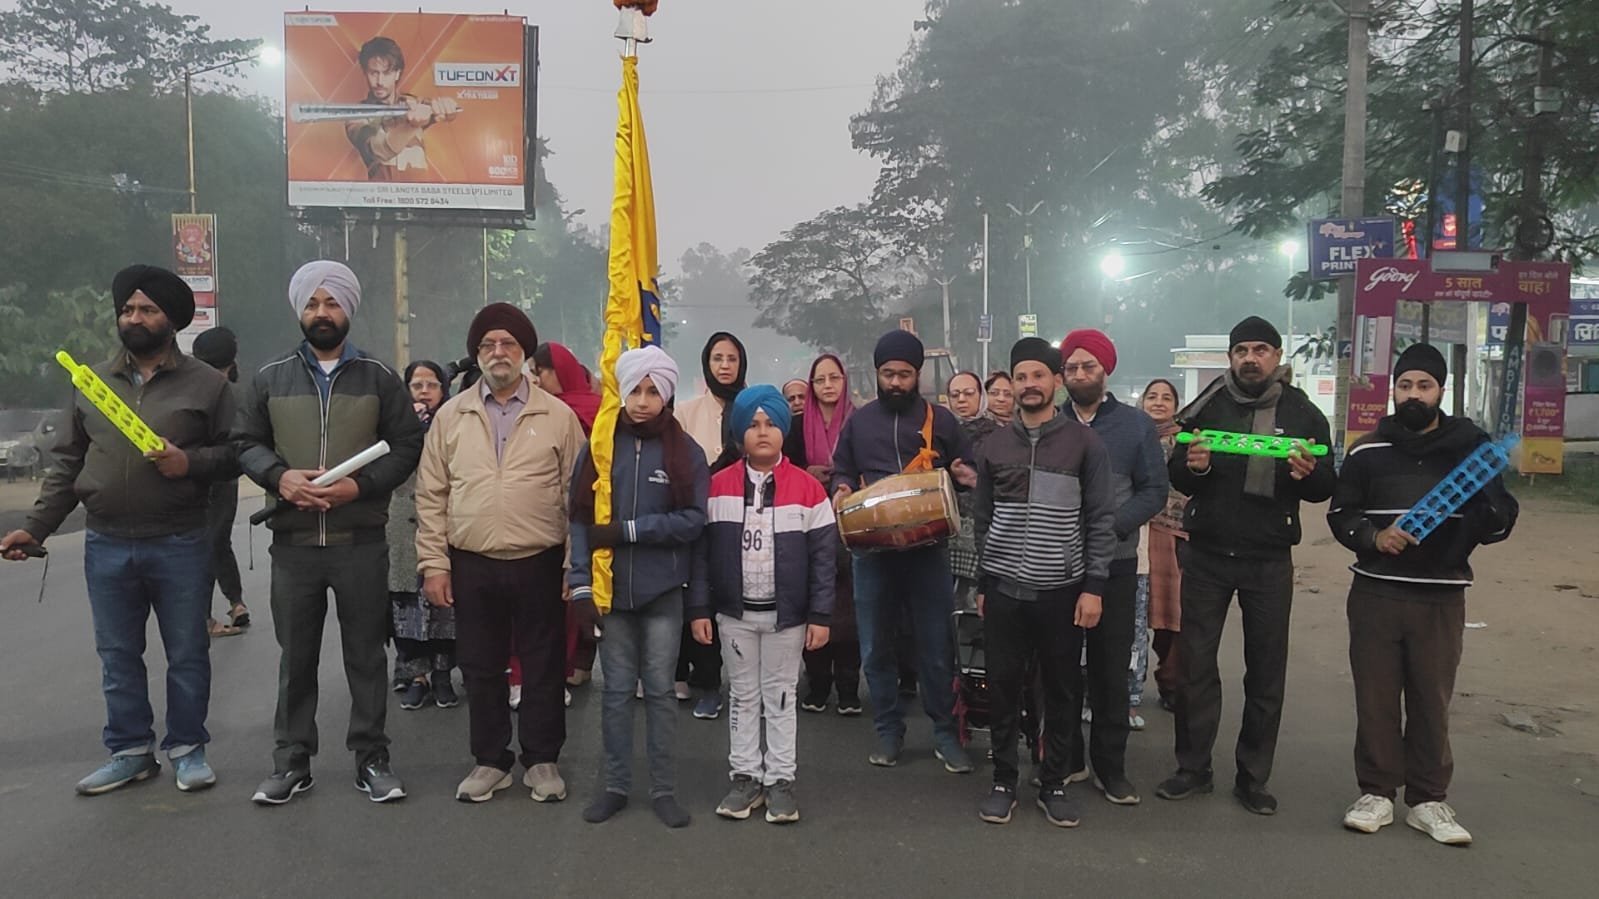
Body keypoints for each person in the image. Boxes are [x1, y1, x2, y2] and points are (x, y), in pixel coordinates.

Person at [2, 265, 236, 795]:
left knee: (187, 651)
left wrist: (191, 463)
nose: (134, 318)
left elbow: (239, 453)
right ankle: (130, 750)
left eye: (147, 309)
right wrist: (35, 528)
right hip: (106, 542)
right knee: (117, 654)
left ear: (171, 320)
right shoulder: (90, 382)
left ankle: (187, 749)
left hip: (180, 540)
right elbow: (67, 465)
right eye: (128, 309)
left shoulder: (208, 384)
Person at [236, 260, 424, 806]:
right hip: (293, 547)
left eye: (332, 303)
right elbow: (244, 442)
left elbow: (407, 446)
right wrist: (281, 478)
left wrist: (358, 488)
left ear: (349, 309)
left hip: (359, 546)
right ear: (300, 310)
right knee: (295, 659)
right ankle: (292, 762)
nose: (322, 313)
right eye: (313, 304)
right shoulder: (270, 378)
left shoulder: (381, 379)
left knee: (366, 656)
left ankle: (372, 759)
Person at [1328, 344, 1517, 846]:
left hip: (1440, 595)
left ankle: (1429, 800)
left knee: (1432, 698)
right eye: (1405, 385)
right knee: (1376, 697)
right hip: (1376, 593)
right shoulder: (1367, 451)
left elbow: (1500, 519)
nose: (1414, 395)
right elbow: (1340, 515)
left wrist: (1490, 508)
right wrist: (1373, 538)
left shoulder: (1470, 452)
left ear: (1440, 391)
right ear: (1394, 390)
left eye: (1424, 386)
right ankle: (1376, 793)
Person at [1156, 315, 1335, 816]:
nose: (1250, 358)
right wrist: (1196, 466)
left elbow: (1325, 485)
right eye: (1241, 351)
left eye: (1261, 349)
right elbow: (1180, 475)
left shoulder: (1302, 413)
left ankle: (1253, 778)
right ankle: (1192, 769)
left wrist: (1307, 474)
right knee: (1195, 667)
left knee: (1266, 673)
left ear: (1277, 357)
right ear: (1230, 357)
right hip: (1207, 554)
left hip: (1269, 559)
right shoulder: (1207, 406)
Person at [414, 304, 584, 804]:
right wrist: (434, 564)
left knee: (543, 663)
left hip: (541, 557)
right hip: (472, 559)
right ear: (477, 355)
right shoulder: (452, 415)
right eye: (488, 346)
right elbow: (431, 495)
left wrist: (575, 566)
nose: (498, 353)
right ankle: (490, 761)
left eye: (508, 344)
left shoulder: (558, 417)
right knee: (481, 665)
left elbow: (578, 496)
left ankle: (542, 760)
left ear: (524, 353)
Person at [973, 338, 1116, 827]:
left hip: (1062, 591)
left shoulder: (1084, 444)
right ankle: (1003, 780)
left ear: (1056, 381)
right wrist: (982, 580)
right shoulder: (993, 444)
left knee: (1060, 690)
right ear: (1011, 384)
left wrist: (1094, 586)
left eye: (1039, 375)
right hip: (1004, 592)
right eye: (1021, 377)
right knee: (1003, 687)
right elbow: (983, 518)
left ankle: (1053, 782)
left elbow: (1100, 518)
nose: (1029, 385)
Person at [570, 346, 709, 828]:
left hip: (663, 592)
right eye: (635, 390)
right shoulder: (599, 446)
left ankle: (664, 790)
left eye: (653, 391)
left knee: (660, 692)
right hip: (610, 597)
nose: (643, 400)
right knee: (614, 695)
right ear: (623, 391)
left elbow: (693, 520)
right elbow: (580, 521)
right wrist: (581, 587)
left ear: (667, 395)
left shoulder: (684, 451)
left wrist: (632, 530)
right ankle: (614, 786)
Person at [831, 330, 976, 771]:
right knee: (876, 646)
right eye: (888, 374)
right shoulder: (859, 421)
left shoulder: (943, 421)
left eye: (904, 375)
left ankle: (945, 734)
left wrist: (963, 476)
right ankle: (889, 732)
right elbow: (843, 469)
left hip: (927, 551)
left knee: (935, 646)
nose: (896, 382)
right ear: (877, 374)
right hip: (872, 552)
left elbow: (967, 471)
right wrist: (839, 489)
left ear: (918, 376)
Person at [691, 385, 836, 824]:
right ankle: (745, 777)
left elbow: (824, 559)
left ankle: (780, 781)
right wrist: (699, 608)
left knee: (780, 695)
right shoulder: (716, 488)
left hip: (786, 618)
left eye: (771, 424)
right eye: (752, 425)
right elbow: (699, 555)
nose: (762, 432)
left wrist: (821, 614)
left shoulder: (809, 490)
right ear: (739, 435)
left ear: (782, 430)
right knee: (742, 695)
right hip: (735, 615)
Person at [1059, 330, 1168, 805]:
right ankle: (1068, 760)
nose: (1080, 374)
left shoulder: (1135, 426)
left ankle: (1111, 766)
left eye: (1088, 366)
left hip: (1118, 566)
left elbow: (1154, 490)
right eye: (1072, 368)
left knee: (1109, 669)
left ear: (1106, 370)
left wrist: (1112, 529)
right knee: (1060, 669)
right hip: (1057, 566)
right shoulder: (1052, 423)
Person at [672, 331, 748, 717]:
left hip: (745, 519)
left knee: (741, 604)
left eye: (731, 358)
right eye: (717, 358)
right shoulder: (685, 412)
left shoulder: (754, 407)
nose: (724, 365)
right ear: (707, 364)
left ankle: (749, 687)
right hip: (700, 520)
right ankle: (706, 683)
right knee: (699, 602)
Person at [783, 353, 861, 715]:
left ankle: (848, 688)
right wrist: (806, 473)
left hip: (852, 522)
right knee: (811, 600)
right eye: (820, 380)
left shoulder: (860, 421)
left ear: (845, 382)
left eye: (834, 378)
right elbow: (785, 469)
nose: (828, 386)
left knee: (848, 608)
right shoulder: (796, 427)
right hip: (807, 520)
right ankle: (817, 684)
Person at [531, 340, 601, 693]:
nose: (538, 380)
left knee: (578, 583)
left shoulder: (584, 409)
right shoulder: (544, 410)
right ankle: (572, 659)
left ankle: (576, 657)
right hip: (552, 510)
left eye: (541, 372)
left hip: (587, 508)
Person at [388, 360, 457, 711]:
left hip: (444, 524)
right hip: (401, 525)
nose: (425, 392)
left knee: (444, 607)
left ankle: (443, 675)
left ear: (444, 390)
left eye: (432, 385)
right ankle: (416, 675)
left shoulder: (456, 424)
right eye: (417, 385)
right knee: (406, 606)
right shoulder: (392, 427)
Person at [191, 326, 250, 638]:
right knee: (217, 541)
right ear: (232, 357)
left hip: (193, 475)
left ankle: (207, 615)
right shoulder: (238, 392)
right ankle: (235, 603)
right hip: (226, 476)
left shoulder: (189, 388)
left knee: (202, 544)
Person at [344, 36, 460, 181]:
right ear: (365, 73)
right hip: (381, 199)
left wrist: (448, 108)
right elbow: (378, 151)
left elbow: (447, 113)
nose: (379, 82)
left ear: (397, 73)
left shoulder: (413, 102)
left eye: (387, 73)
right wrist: (411, 126)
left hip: (421, 198)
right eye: (374, 73)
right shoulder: (356, 115)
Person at [1138, 379, 1186, 714]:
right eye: (1152, 396)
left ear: (1176, 405)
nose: (1158, 402)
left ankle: (1171, 681)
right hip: (1140, 533)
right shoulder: (1133, 435)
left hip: (1179, 535)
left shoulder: (1186, 439)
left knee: (1175, 613)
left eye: (1166, 397)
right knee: (1142, 613)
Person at [945, 370, 999, 612]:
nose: (962, 400)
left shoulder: (998, 435)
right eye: (955, 395)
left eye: (969, 393)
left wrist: (975, 481)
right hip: (947, 531)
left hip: (984, 527)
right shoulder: (939, 433)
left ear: (981, 396)